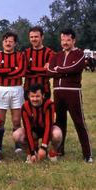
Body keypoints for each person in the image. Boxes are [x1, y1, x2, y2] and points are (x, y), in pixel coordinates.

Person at [47, 29, 93, 162]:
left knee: (79, 122)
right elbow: (49, 71)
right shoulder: (57, 55)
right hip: (58, 91)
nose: (65, 43)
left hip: (72, 91)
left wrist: (59, 70)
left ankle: (87, 154)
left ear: (73, 40)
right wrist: (62, 71)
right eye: (63, 40)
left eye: (68, 40)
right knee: (60, 122)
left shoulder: (79, 54)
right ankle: (59, 150)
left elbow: (75, 68)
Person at [0, 32, 26, 154]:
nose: (8, 43)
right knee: (0, 120)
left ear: (15, 43)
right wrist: (12, 69)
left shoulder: (20, 56)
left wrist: (4, 71)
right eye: (6, 41)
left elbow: (21, 72)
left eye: (11, 41)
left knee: (16, 120)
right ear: (2, 42)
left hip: (16, 88)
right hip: (1, 88)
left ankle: (18, 146)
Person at [13, 84, 62, 163]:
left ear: (43, 95)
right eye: (32, 96)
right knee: (17, 135)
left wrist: (43, 147)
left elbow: (48, 126)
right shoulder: (25, 107)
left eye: (37, 96)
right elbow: (27, 129)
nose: (35, 99)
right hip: (34, 131)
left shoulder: (49, 104)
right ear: (28, 96)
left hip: (48, 130)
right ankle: (31, 153)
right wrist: (32, 152)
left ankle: (52, 153)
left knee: (57, 134)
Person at [24, 26, 54, 99]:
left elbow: (49, 72)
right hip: (28, 89)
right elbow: (24, 71)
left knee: (44, 110)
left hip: (44, 89)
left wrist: (30, 69)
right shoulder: (25, 53)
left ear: (42, 37)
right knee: (29, 110)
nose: (33, 39)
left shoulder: (50, 53)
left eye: (36, 37)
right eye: (31, 37)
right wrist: (42, 70)